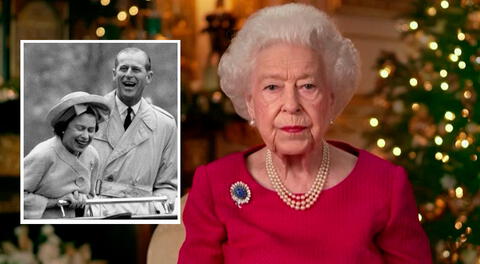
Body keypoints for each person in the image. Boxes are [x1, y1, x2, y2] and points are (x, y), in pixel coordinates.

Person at [179, 3, 432, 263]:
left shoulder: (384, 185)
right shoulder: (215, 185)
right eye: (272, 87)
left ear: (331, 100)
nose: (291, 104)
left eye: (308, 85)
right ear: (251, 102)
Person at [90, 47, 177, 217]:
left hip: (141, 216)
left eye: (136, 69)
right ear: (114, 74)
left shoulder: (165, 124)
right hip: (95, 212)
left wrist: (154, 211)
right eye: (123, 68)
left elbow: (168, 185)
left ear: (149, 77)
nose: (128, 74)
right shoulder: (91, 114)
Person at [24, 91, 111, 219]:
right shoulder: (43, 154)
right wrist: (54, 202)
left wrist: (83, 199)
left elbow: (91, 197)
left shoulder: (93, 156)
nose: (86, 136)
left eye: (91, 130)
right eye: (80, 128)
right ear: (64, 127)